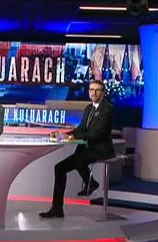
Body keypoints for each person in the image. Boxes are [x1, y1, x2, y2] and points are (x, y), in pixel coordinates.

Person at [40, 80, 114, 219]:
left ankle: (91, 183)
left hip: (100, 149)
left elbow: (94, 134)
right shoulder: (88, 108)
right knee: (59, 168)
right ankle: (57, 208)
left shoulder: (107, 109)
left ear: (103, 93)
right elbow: (81, 129)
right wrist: (65, 135)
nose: (94, 93)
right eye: (91, 90)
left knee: (80, 161)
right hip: (86, 149)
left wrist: (72, 137)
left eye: (97, 90)